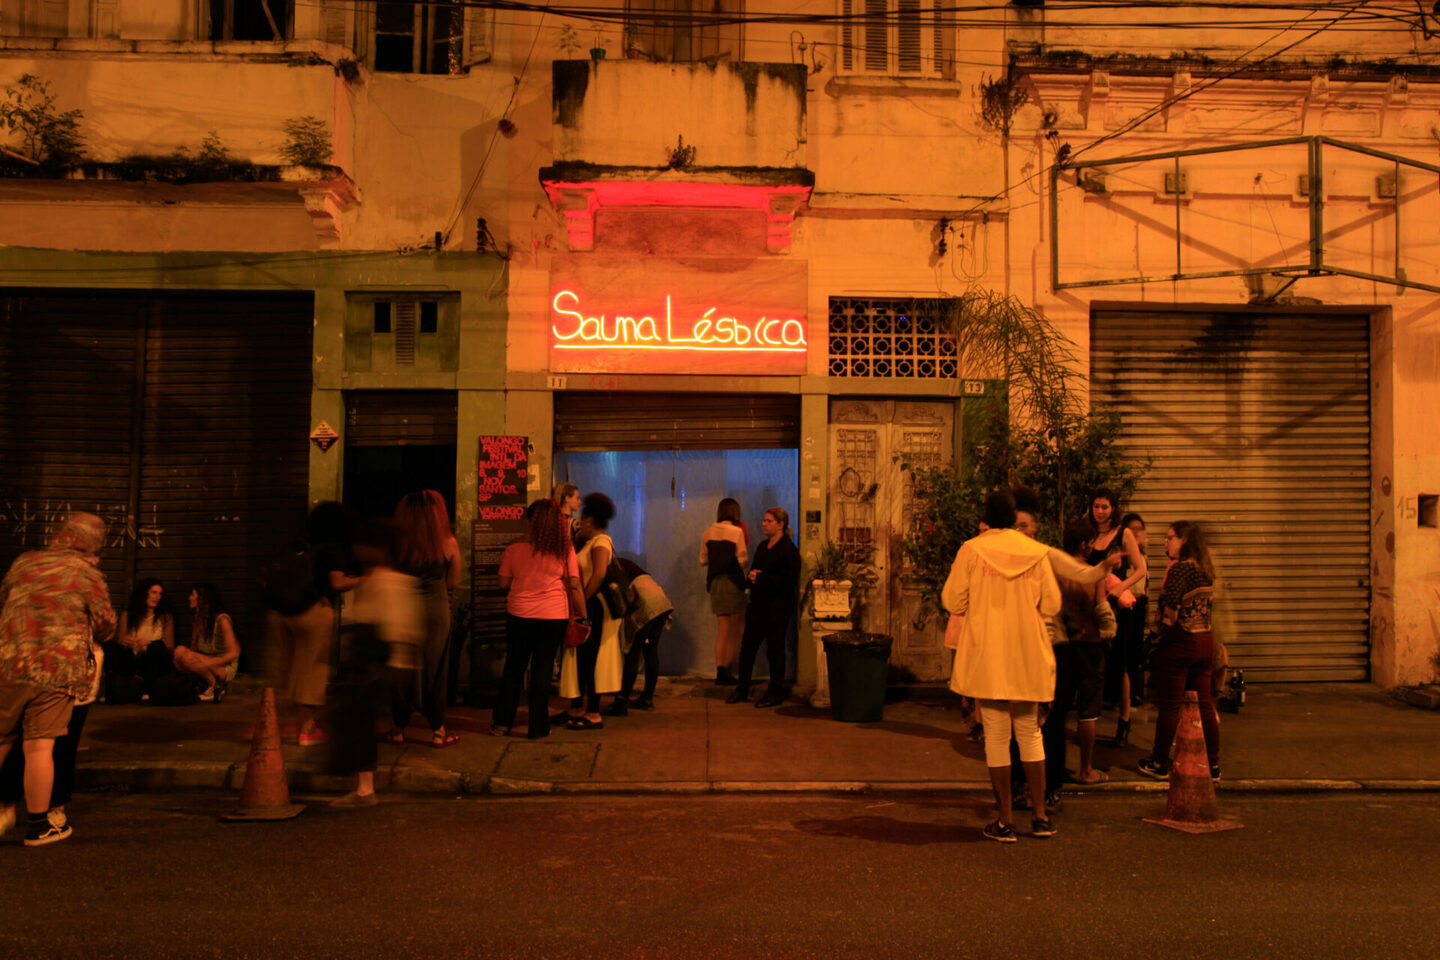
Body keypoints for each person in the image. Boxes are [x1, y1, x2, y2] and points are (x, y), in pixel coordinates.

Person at [944, 491, 1061, 843]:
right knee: (1030, 734)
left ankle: (1005, 821)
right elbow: (1052, 604)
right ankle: (1040, 817)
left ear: (986, 517)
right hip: (1027, 653)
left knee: (996, 736)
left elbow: (953, 600)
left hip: (988, 654)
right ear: (1013, 517)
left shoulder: (971, 550)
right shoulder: (1035, 551)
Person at [0, 512, 116, 846]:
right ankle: (39, 827)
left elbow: (6, 597)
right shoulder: (86, 573)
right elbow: (105, 624)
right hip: (58, 668)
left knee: (3, 738)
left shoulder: (24, 562)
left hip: (11, 661)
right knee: (40, 745)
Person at [329, 518, 423, 808]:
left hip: (379, 663)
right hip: (382, 663)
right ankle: (363, 787)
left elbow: (391, 628)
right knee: (361, 723)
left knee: (360, 723)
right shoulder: (387, 579)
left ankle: (364, 790)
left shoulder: (384, 581)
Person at [493, 500, 587, 739]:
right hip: (553, 616)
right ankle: (538, 728)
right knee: (542, 670)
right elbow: (574, 585)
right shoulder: (564, 549)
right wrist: (583, 616)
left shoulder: (514, 548)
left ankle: (501, 724)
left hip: (519, 614)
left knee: (514, 668)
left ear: (529, 522)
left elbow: (503, 583)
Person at [1138, 521, 1222, 782]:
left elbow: (1172, 610)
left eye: (1170, 538)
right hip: (1204, 640)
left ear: (1184, 540)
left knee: (1170, 706)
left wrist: (1164, 622)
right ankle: (1213, 764)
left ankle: (1159, 762)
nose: (1166, 542)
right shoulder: (1205, 568)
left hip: (1180, 642)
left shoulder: (1180, 569)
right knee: (1204, 704)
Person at [386, 490, 462, 748]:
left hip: (403, 609)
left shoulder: (397, 544)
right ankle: (438, 730)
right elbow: (453, 583)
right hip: (436, 612)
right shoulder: (448, 543)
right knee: (436, 669)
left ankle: (398, 728)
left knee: (400, 668)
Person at [1048, 521, 1117, 795]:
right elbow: (1101, 609)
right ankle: (1086, 770)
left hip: (1061, 647)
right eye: (1090, 542)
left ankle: (1051, 768)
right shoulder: (1093, 574)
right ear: (1083, 545)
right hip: (1089, 647)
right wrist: (1110, 630)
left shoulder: (1054, 573)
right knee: (1088, 713)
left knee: (1057, 711)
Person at [1085, 488, 1147, 746]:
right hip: (1093, 605)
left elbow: (1141, 569)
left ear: (1113, 509)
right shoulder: (1089, 534)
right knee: (1094, 663)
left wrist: (1121, 587)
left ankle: (1124, 720)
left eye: (1105, 507)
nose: (1100, 511)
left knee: (1120, 666)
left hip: (1117, 607)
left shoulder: (1123, 534)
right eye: (1096, 506)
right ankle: (1091, 719)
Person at [560, 493, 623, 729]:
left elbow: (599, 574)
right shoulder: (588, 542)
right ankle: (578, 707)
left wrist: (582, 603)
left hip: (594, 605)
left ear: (590, 519)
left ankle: (593, 712)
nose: (580, 522)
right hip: (587, 603)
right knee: (582, 655)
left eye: (583, 518)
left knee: (592, 656)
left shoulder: (601, 542)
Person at [728, 507, 799, 708]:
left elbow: (789, 580)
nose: (764, 524)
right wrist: (750, 579)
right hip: (758, 606)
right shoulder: (762, 546)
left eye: (769, 521)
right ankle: (742, 688)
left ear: (780, 524)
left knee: (775, 650)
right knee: (747, 649)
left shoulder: (788, 550)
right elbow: (756, 570)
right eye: (764, 520)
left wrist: (762, 578)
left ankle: (775, 692)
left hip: (777, 608)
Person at [606, 558, 674, 716]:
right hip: (660, 602)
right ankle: (647, 698)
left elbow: (621, 592)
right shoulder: (623, 562)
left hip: (644, 603)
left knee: (632, 654)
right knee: (650, 651)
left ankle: (621, 702)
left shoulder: (611, 565)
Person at [700, 498, 748, 686]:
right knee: (737, 629)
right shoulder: (737, 532)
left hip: (715, 583)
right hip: (733, 582)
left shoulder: (707, 532)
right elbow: (743, 562)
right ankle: (729, 668)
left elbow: (703, 561)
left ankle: (720, 670)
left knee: (723, 629)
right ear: (735, 512)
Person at [103, 577, 176, 703]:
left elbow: (169, 647)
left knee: (157, 647)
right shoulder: (128, 615)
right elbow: (120, 640)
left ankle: (149, 689)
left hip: (152, 660)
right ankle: (114, 689)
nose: (157, 597)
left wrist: (149, 643)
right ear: (144, 594)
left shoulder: (165, 617)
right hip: (132, 658)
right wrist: (126, 641)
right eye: (154, 593)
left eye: (160, 594)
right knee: (113, 648)